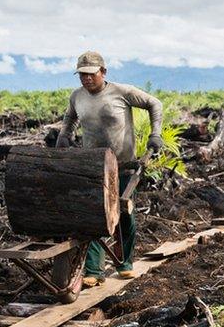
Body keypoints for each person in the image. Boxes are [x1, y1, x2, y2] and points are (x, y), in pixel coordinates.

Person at [55, 50, 164, 285]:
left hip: (123, 165)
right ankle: (94, 270)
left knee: (124, 213)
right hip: (93, 165)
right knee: (95, 215)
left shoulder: (122, 92)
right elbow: (70, 118)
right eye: (81, 75)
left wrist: (155, 134)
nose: (86, 79)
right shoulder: (77, 97)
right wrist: (65, 134)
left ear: (103, 71)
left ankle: (124, 263)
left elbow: (154, 103)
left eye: (91, 74)